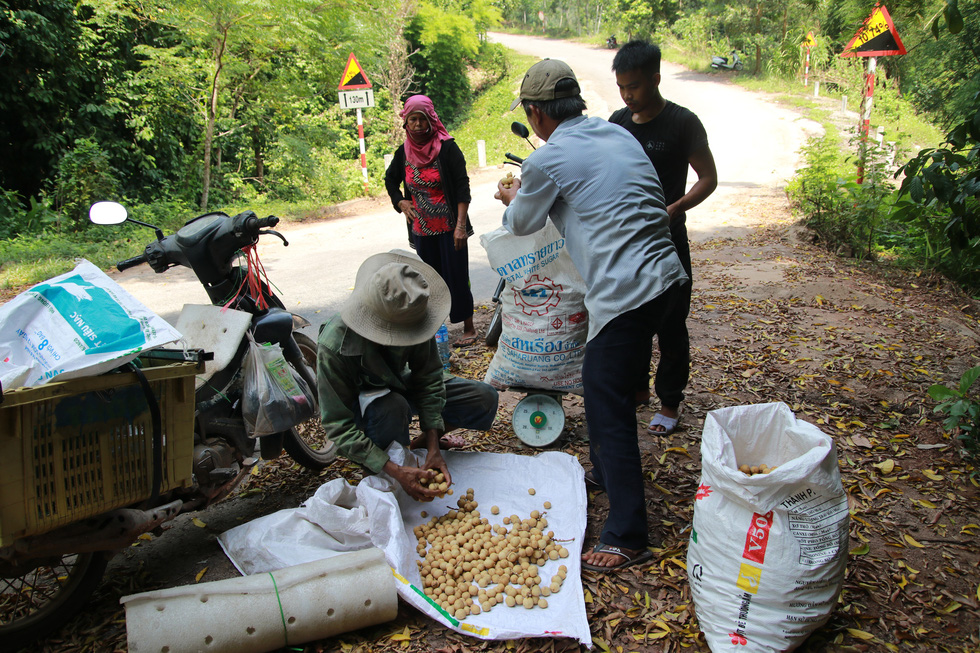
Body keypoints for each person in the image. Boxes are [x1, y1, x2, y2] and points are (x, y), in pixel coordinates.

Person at [495, 59, 689, 571]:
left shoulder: (547, 159)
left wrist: (513, 195)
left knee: (605, 396)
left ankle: (627, 533)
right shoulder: (615, 133)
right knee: (610, 381)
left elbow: (521, 222)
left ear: (536, 114)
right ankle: (606, 470)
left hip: (628, 289)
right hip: (667, 275)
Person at [316, 251, 498, 500]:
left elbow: (429, 377)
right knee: (391, 405)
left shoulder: (412, 315)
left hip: (399, 382)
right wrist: (396, 471)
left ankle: (419, 447)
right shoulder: (335, 346)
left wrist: (434, 444)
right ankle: (388, 464)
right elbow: (338, 426)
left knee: (483, 397)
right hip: (368, 410)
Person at [610, 40, 718, 436]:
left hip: (668, 243)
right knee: (629, 320)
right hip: (627, 247)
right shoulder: (617, 123)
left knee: (671, 324)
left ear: (656, 78)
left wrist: (677, 207)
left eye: (634, 86)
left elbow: (709, 178)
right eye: (621, 87)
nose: (627, 95)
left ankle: (670, 401)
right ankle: (637, 390)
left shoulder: (682, 123)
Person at [385, 95, 478, 346]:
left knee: (457, 274)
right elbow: (390, 180)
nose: (416, 125)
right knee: (427, 279)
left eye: (421, 119)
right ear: (405, 122)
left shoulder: (447, 148)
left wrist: (460, 226)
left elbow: (462, 188)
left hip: (450, 226)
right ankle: (434, 329)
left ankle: (468, 326)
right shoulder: (402, 152)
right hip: (422, 227)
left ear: (431, 120)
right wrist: (400, 202)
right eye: (412, 119)